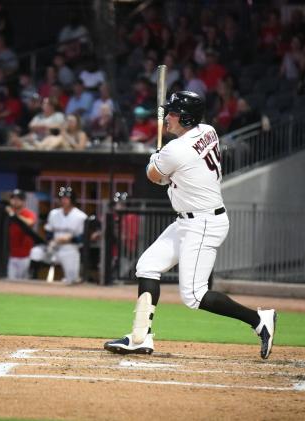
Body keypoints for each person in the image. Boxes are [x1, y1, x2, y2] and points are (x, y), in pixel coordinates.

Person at [104, 91, 277, 358]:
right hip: (189, 220)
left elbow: (153, 175)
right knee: (148, 265)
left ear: (185, 117)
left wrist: (156, 158)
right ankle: (140, 337)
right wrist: (163, 162)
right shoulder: (208, 130)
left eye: (172, 113)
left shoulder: (176, 149)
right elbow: (167, 175)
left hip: (203, 222)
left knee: (195, 296)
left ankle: (259, 320)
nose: (167, 117)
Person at [30, 187, 87, 285]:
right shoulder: (54, 213)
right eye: (62, 198)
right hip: (53, 247)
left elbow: (83, 238)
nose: (63, 200)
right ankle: (32, 277)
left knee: (72, 279)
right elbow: (49, 232)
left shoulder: (81, 216)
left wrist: (69, 239)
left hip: (70, 249)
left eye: (66, 198)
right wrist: (50, 241)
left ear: (72, 200)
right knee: (35, 252)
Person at [6, 189, 36, 280]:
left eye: (18, 199)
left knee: (23, 282)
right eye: (13, 199)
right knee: (11, 281)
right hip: (11, 254)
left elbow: (30, 222)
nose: (15, 201)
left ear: (23, 201)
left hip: (25, 255)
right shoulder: (7, 214)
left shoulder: (28, 213)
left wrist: (14, 215)